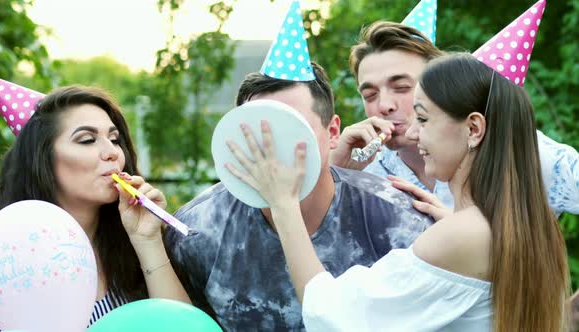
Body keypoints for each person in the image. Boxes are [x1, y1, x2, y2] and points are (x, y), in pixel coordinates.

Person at [229, 52, 569, 331]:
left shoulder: (461, 235)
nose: (415, 135)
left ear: (474, 128)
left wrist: (284, 204)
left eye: (424, 119)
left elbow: (330, 315)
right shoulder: (522, 223)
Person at [164, 63, 433, 331]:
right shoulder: (195, 231)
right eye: (255, 133)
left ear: (332, 133)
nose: (270, 150)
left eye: (291, 129)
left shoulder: (401, 222)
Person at [0, 86, 190, 330]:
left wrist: (147, 240)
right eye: (87, 140)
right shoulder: (7, 261)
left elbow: (183, 325)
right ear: (43, 160)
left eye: (115, 139)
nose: (112, 152)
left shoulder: (128, 248)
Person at [330, 21, 579, 217]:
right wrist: (336, 175)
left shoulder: (522, 152)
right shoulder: (364, 170)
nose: (383, 105)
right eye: (370, 94)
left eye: (402, 87)